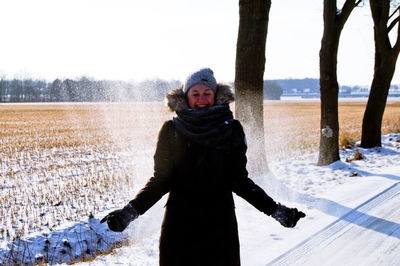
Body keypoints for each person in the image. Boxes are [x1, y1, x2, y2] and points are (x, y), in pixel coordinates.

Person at [101, 68, 305, 266]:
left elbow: (240, 182)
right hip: (179, 225)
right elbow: (160, 180)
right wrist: (129, 212)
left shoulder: (232, 129)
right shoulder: (171, 131)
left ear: (216, 95)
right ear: (186, 96)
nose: (201, 99)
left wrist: (276, 211)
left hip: (220, 225)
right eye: (195, 93)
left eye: (207, 93)